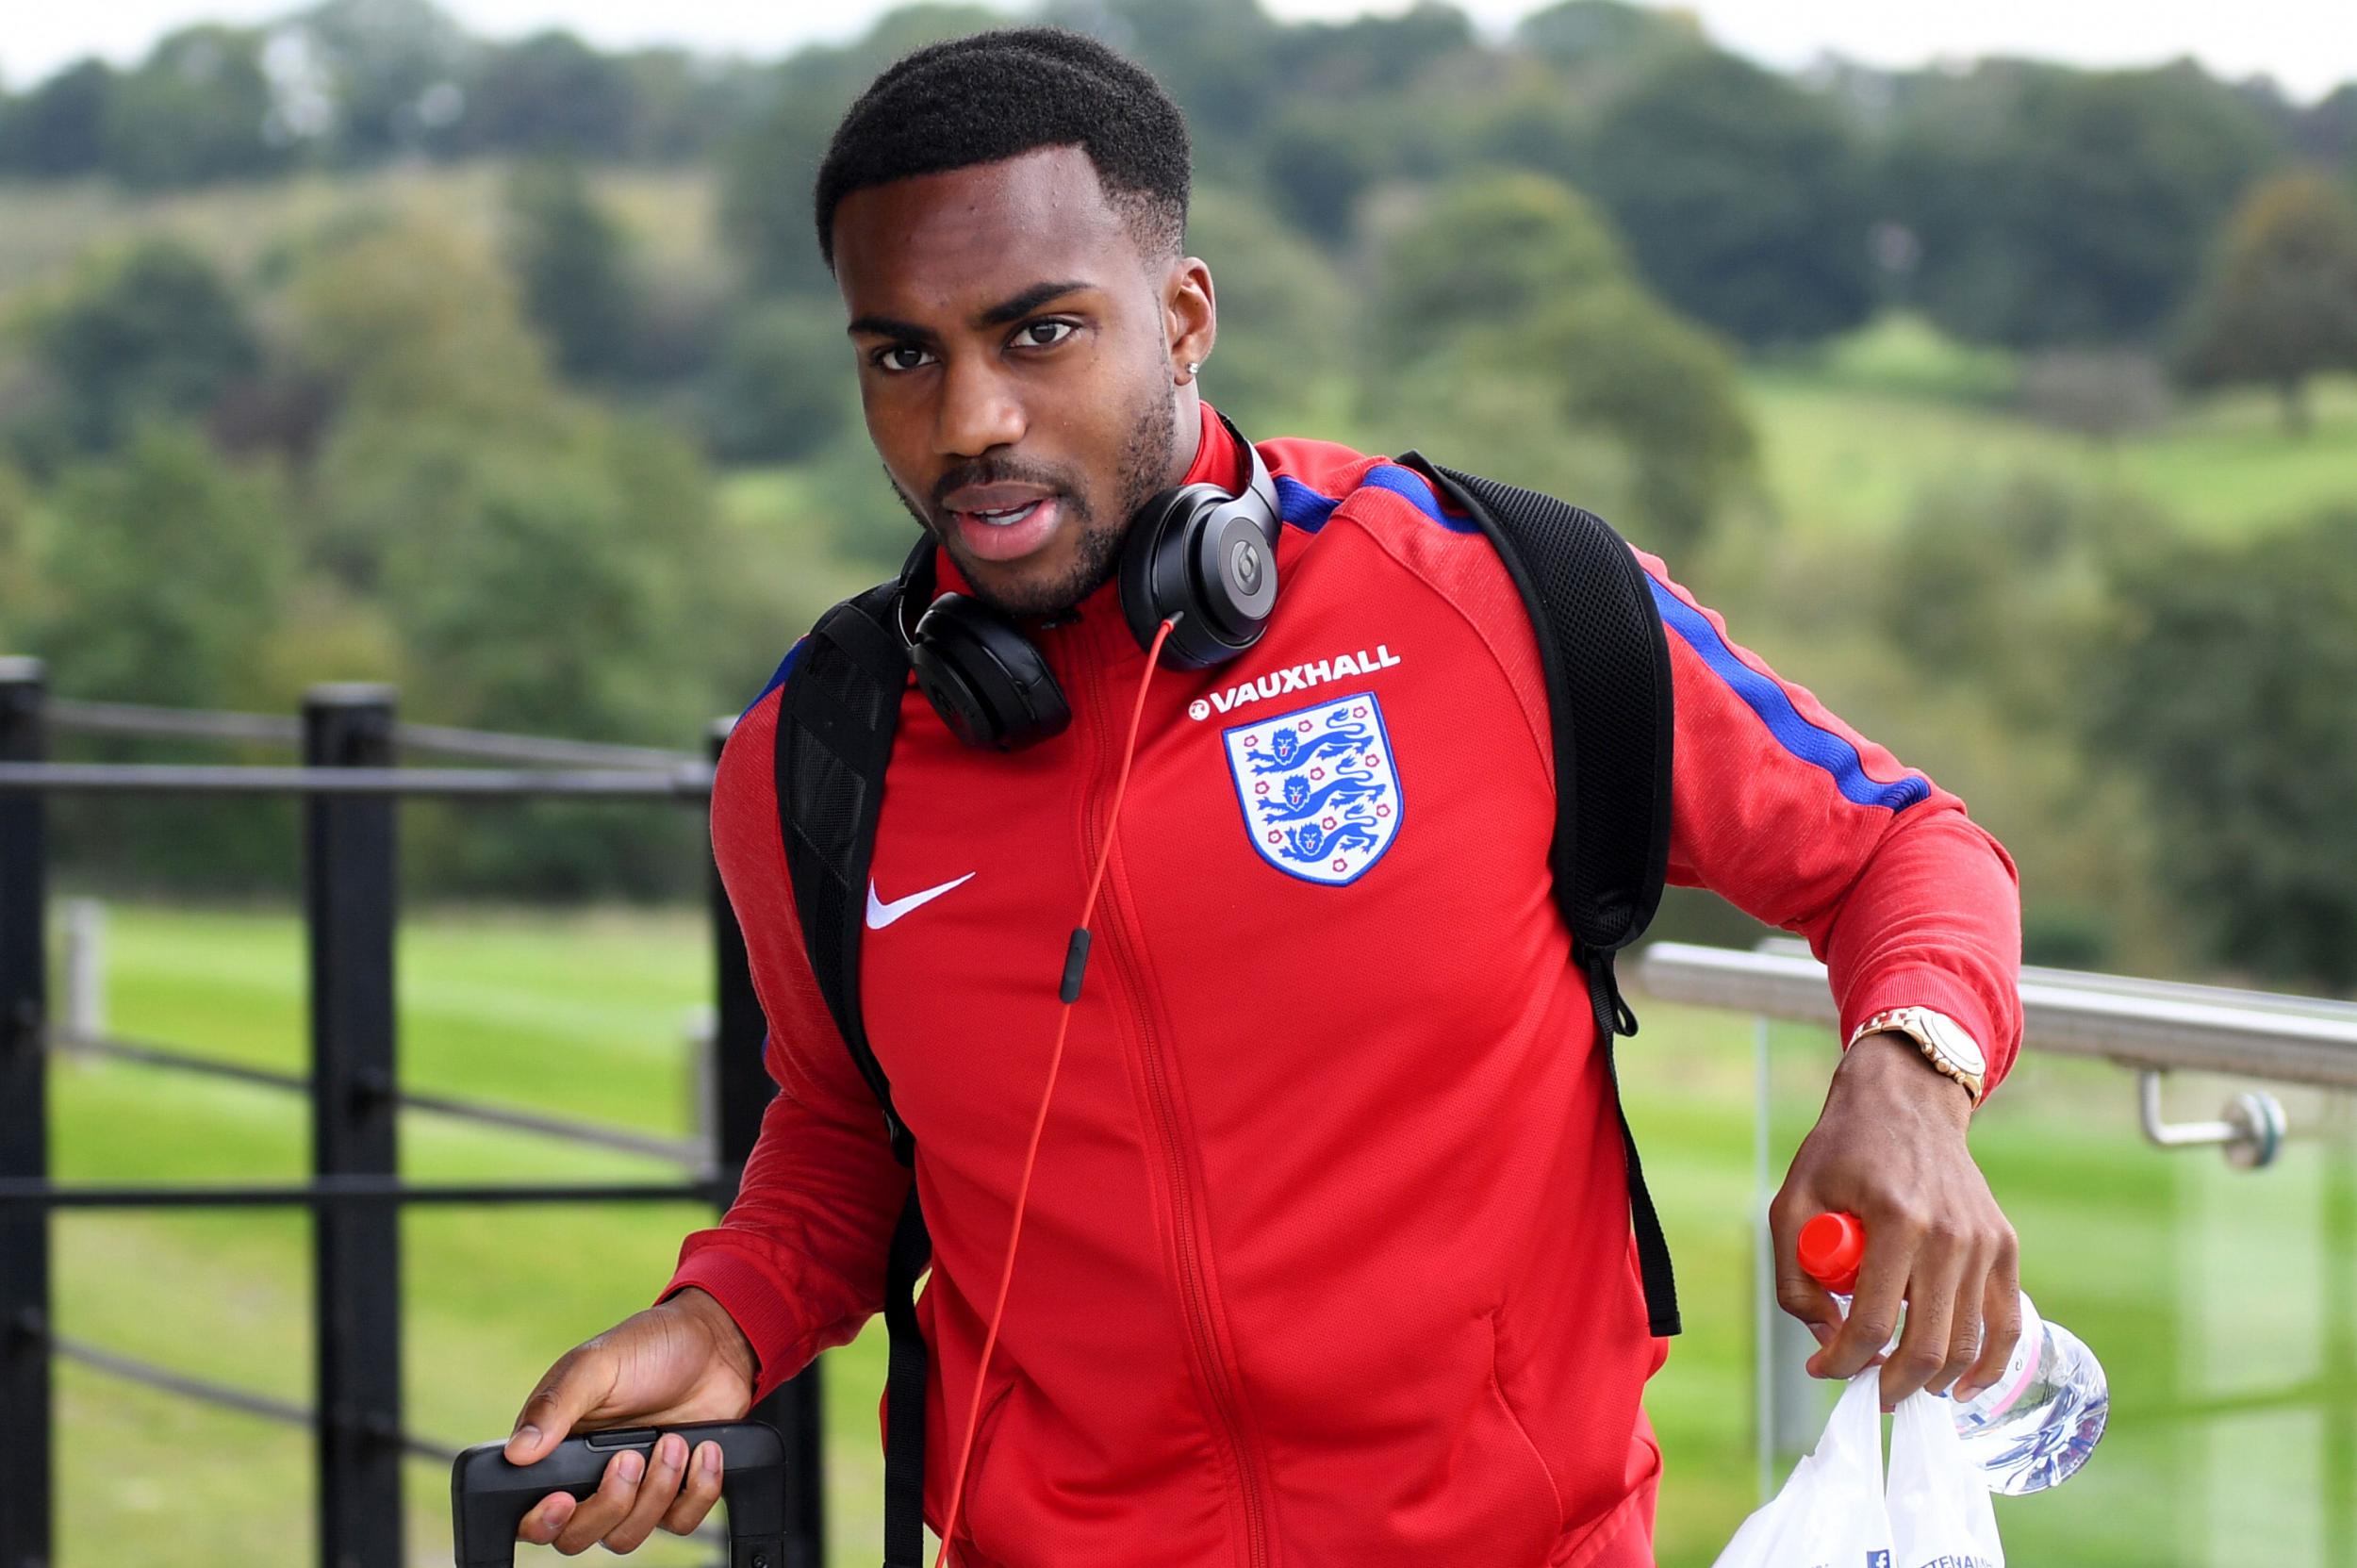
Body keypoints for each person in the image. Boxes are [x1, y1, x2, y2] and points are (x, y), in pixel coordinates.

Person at [501, 26, 2024, 1566]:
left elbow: (1904, 848)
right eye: (903, 353)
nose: (968, 420)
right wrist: (728, 1318)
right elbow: (843, 1132)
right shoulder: (814, 757)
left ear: (1182, 315)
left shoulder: (1498, 599)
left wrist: (1907, 1079)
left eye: (1038, 334)